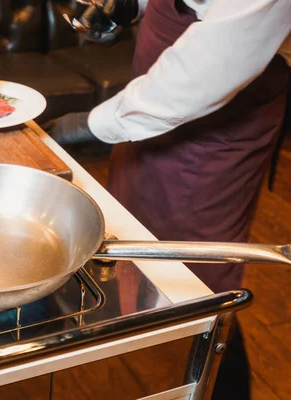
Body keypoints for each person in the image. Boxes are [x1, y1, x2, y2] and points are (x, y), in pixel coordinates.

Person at [47, 0, 291, 398]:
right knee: (138, 240)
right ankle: (166, 369)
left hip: (213, 127)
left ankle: (219, 385)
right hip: (150, 113)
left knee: (197, 278)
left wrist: (87, 125)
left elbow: (210, 67)